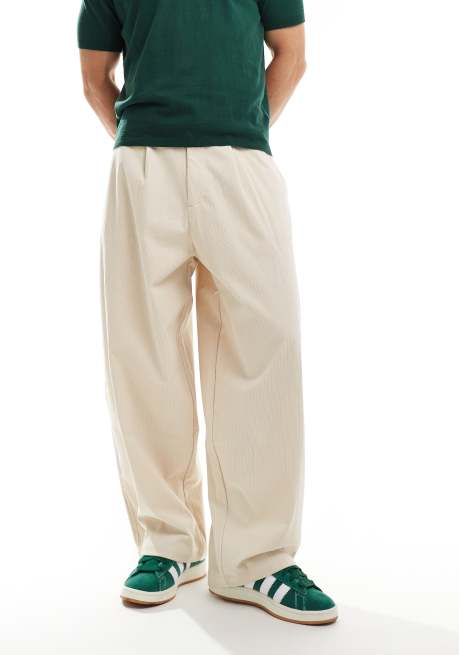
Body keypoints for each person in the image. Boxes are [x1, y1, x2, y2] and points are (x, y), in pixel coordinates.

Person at [77, 0, 337, 626]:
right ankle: (170, 543)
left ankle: (257, 559)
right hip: (143, 165)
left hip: (240, 161)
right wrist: (143, 140)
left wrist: (243, 130)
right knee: (142, 352)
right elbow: (94, 77)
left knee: (264, 349)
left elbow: (292, 54)